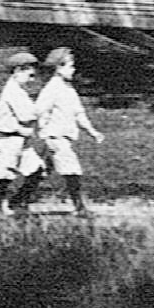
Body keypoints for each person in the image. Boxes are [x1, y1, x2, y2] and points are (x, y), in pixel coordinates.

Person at [35, 46, 104, 215]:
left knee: (40, 170)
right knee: (72, 170)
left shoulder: (69, 89)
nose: (73, 70)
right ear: (59, 68)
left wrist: (92, 131)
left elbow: (79, 113)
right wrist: (44, 130)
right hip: (55, 137)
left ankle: (19, 199)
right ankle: (80, 207)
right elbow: (39, 110)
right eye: (70, 66)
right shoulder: (52, 88)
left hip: (64, 137)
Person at [0, 49, 44, 214]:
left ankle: (18, 201)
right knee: (5, 173)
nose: (31, 78)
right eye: (29, 74)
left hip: (20, 139)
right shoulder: (13, 91)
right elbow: (27, 115)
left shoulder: (20, 91)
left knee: (36, 170)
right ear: (17, 71)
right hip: (9, 138)